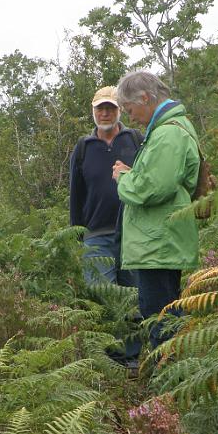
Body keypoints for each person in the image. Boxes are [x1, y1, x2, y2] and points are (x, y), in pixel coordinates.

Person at [112, 71, 200, 350]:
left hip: (158, 242)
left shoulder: (168, 133)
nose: (130, 117)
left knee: (160, 317)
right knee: (165, 314)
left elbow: (151, 189)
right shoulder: (169, 130)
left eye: (129, 109)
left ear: (145, 98)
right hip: (161, 240)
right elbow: (160, 178)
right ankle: (173, 381)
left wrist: (124, 179)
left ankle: (169, 384)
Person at [69, 85, 142, 287]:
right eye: (100, 109)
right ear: (93, 112)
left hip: (133, 234)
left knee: (136, 303)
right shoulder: (84, 148)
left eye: (110, 108)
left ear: (119, 110)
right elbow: (76, 195)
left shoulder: (136, 140)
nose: (105, 114)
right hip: (96, 237)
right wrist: (76, 237)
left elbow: (148, 182)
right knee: (104, 302)